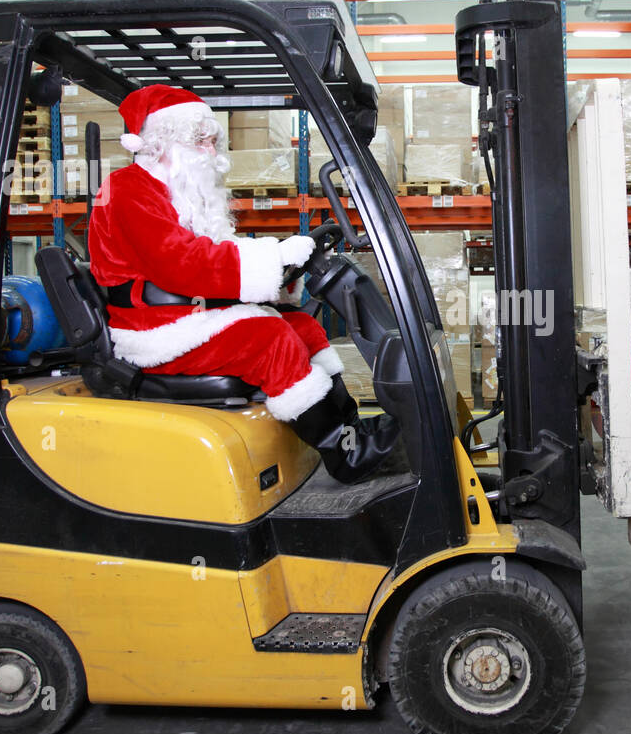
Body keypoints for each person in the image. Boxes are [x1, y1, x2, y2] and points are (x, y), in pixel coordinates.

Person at [87, 83, 398, 483]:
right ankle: (345, 457)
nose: (213, 154)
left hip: (190, 311)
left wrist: (281, 267)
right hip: (157, 328)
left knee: (302, 327)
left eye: (213, 142)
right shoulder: (127, 189)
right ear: (161, 141)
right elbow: (180, 264)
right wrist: (273, 258)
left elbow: (216, 251)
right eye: (202, 142)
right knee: (267, 338)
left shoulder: (178, 192)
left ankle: (352, 431)